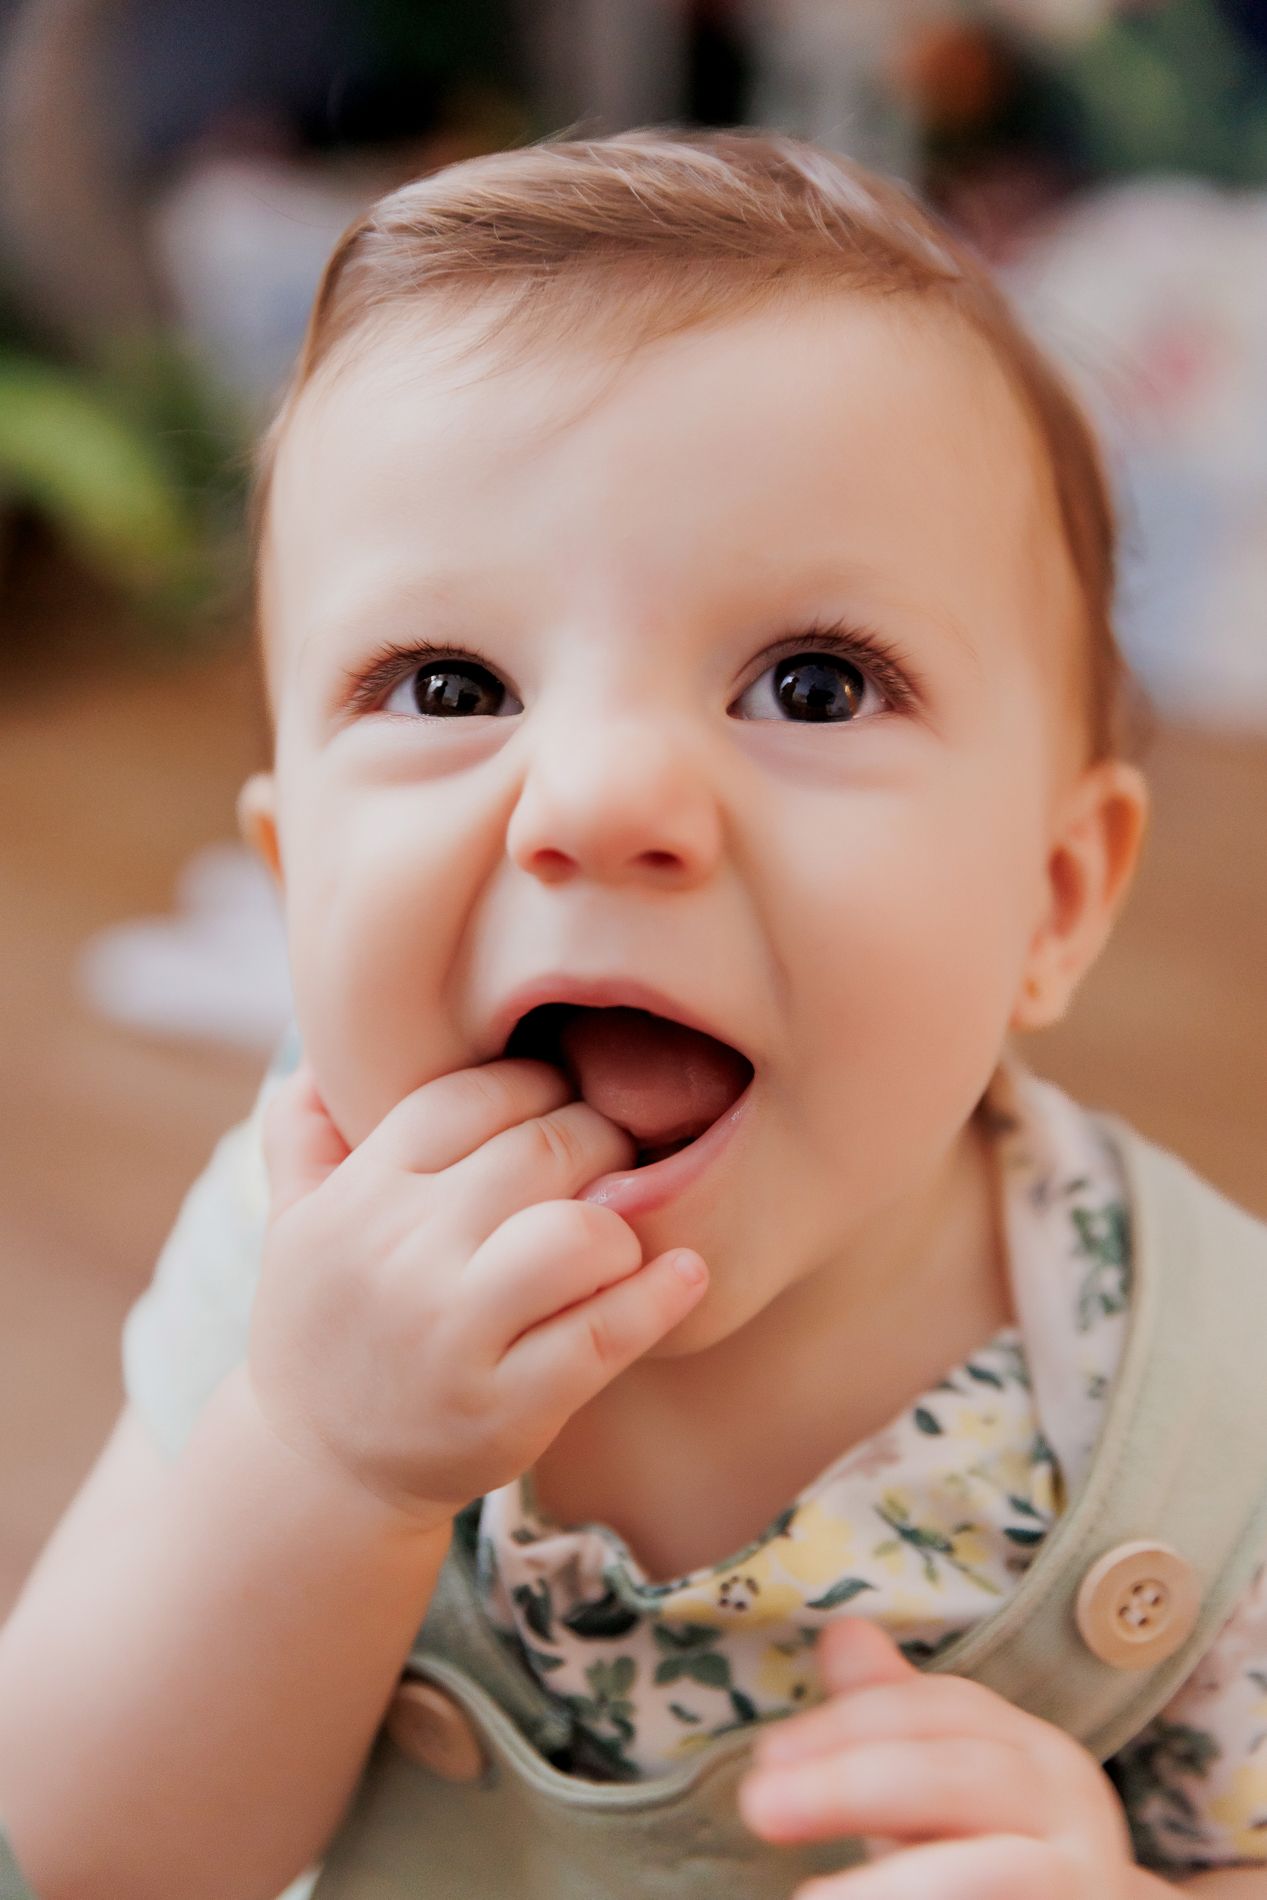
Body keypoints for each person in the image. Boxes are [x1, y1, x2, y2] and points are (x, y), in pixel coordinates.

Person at [0, 125, 1265, 1900]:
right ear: (296, 891)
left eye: (811, 684)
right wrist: (318, 1466)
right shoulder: (310, 1270)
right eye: (451, 683)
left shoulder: (1213, 1412)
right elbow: (96, 1855)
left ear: (1052, 901)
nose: (596, 796)